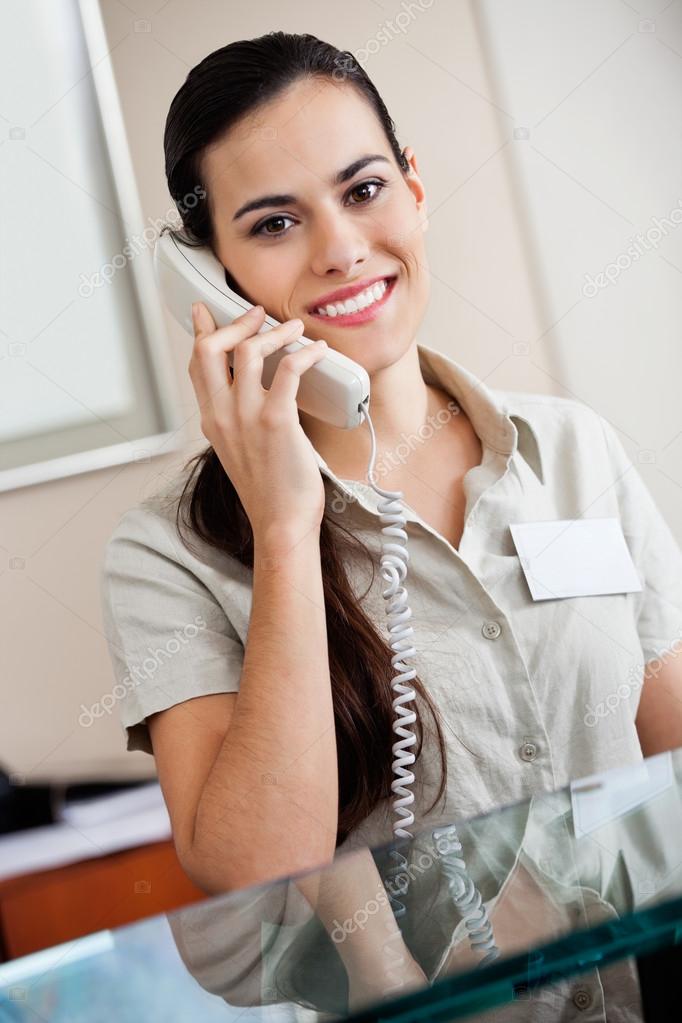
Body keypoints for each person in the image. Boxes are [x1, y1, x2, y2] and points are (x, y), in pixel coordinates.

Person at [100, 31, 682, 1019]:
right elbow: (256, 866)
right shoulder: (166, 554)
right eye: (274, 223)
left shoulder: (572, 452)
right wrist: (286, 529)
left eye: (362, 189)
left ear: (413, 187)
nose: (338, 249)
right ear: (212, 275)